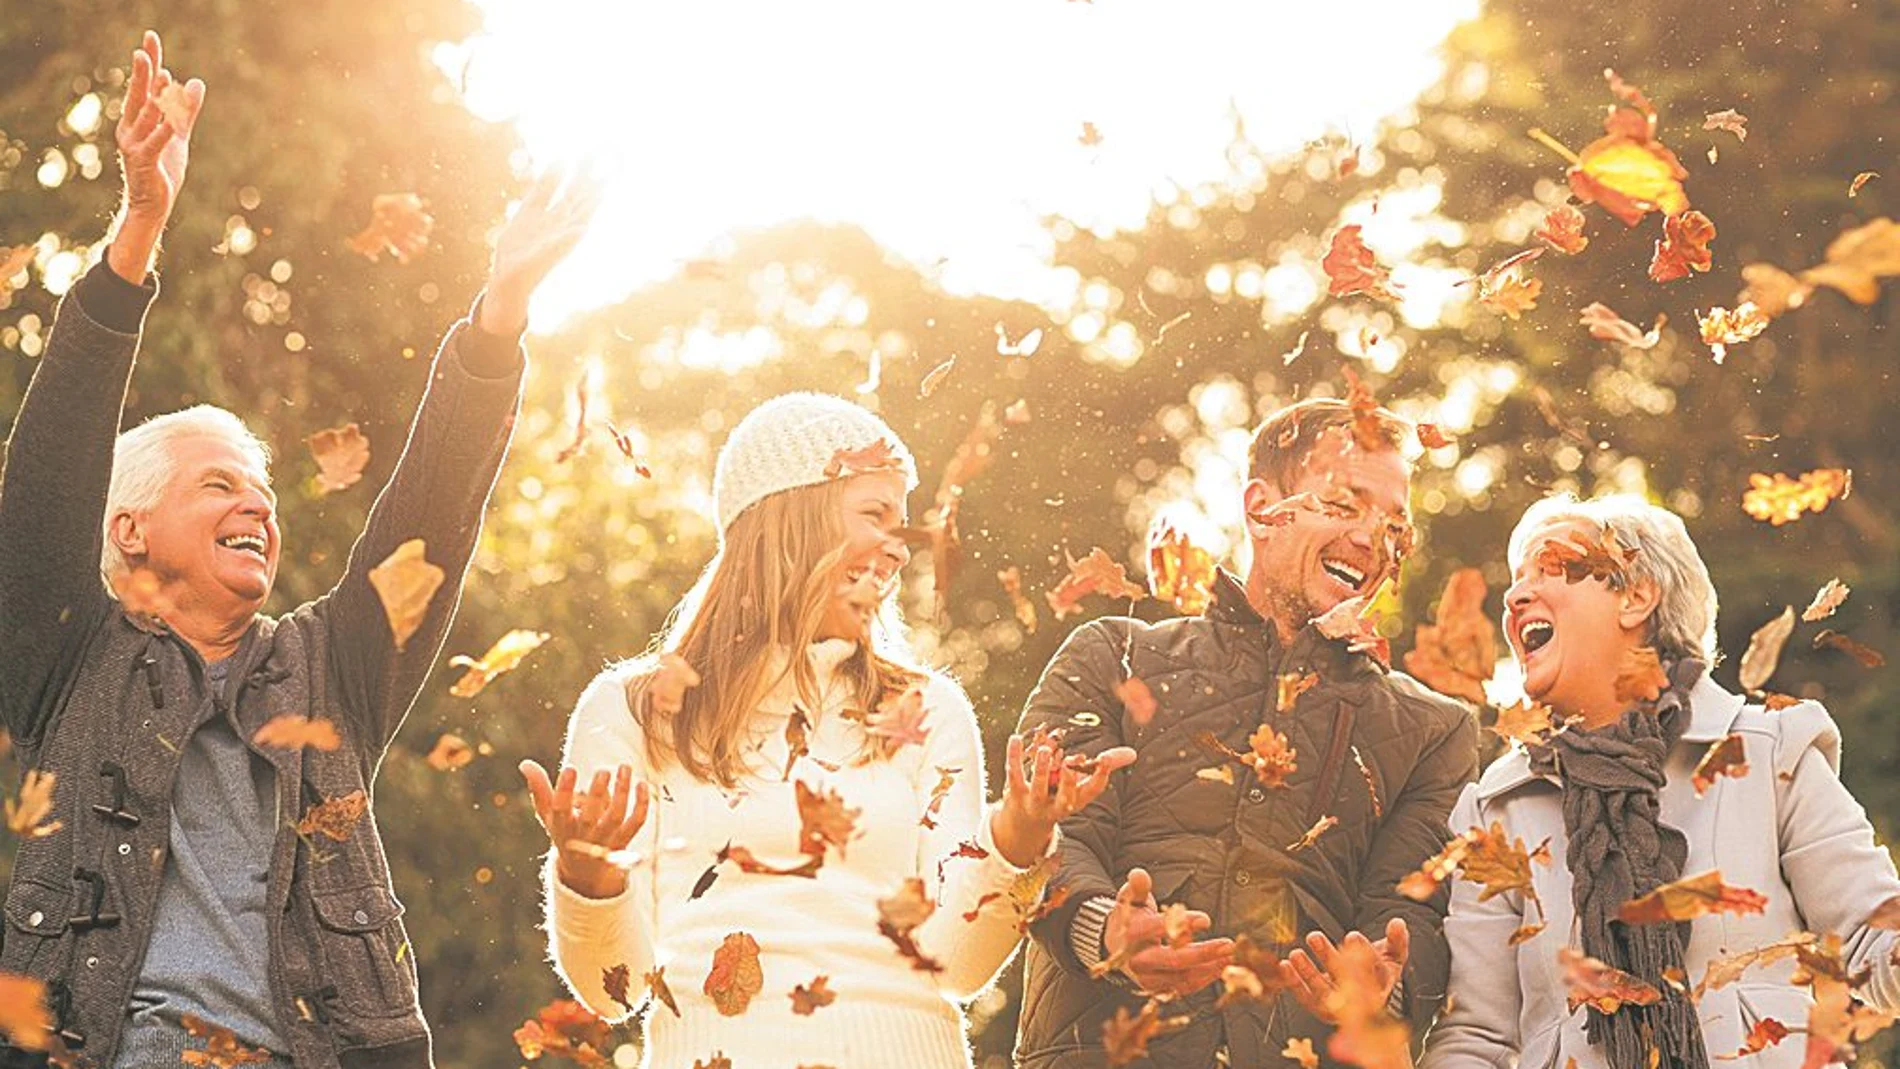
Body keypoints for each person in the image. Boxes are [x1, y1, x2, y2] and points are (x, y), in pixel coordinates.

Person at [0, 31, 597, 1069]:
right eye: (219, 482)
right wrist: (139, 229)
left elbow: (431, 513)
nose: (259, 508)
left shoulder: (334, 669)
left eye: (267, 493)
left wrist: (497, 316)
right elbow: (44, 484)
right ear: (127, 529)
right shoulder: (66, 664)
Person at [524, 393, 1135, 1068]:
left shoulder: (926, 711)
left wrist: (1019, 835)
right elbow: (618, 990)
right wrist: (588, 871)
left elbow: (954, 965)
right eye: (874, 514)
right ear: (788, 518)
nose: (898, 550)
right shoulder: (634, 712)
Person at [1013, 397, 1481, 1067]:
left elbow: (1413, 912)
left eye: (1393, 523)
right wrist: (1105, 926)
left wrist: (1389, 983)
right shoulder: (1113, 657)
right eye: (1345, 505)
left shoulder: (1434, 731)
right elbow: (1042, 843)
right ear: (1264, 508)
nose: (1371, 540)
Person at [1420, 494, 1900, 1069]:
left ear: (1637, 596)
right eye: (1517, 580)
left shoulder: (1770, 753)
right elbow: (1477, 1038)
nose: (1515, 596)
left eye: (1552, 568)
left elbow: (1876, 940)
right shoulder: (1498, 808)